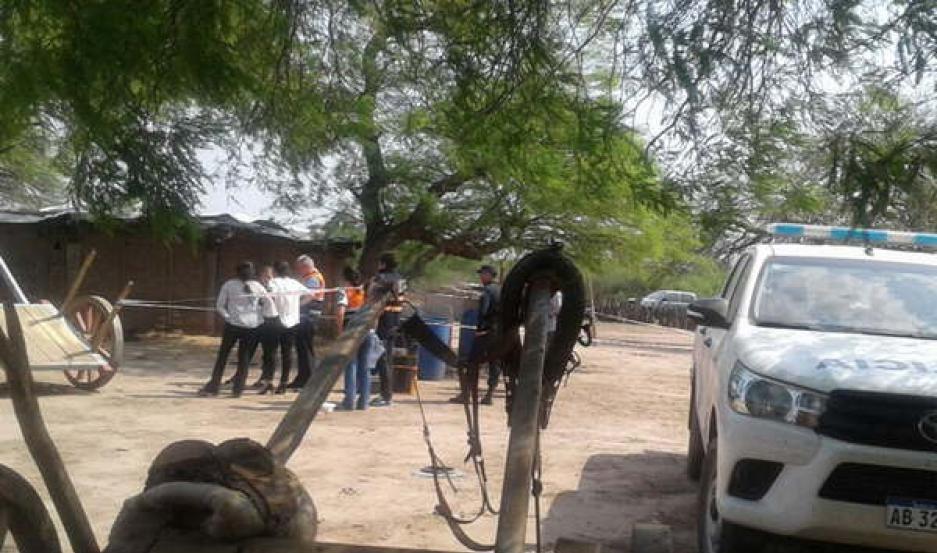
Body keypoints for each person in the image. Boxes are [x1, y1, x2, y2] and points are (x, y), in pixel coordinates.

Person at [200, 261, 267, 397]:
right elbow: (266, 304)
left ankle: (216, 387)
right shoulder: (253, 286)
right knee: (241, 358)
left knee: (227, 356)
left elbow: (220, 306)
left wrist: (229, 318)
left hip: (239, 326)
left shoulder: (236, 285)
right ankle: (236, 390)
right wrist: (258, 319)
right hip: (246, 326)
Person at [450, 264, 501, 405]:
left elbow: (483, 311)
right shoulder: (500, 290)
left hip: (485, 332)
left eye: (483, 274)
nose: (481, 277)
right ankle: (489, 395)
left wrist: (480, 329)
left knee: (472, 362)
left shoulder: (487, 291)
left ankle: (466, 394)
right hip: (498, 332)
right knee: (494, 363)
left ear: (489, 275)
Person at [268, 260, 312, 394]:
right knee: (287, 353)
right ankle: (283, 382)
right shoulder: (294, 283)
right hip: (293, 321)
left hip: (277, 320)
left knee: (272, 351)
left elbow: (270, 295)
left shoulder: (274, 282)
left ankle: (269, 380)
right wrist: (298, 305)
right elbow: (311, 294)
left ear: (275, 271)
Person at [337, 267, 373, 411]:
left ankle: (349, 401)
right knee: (365, 367)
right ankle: (364, 402)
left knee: (350, 365)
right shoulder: (364, 291)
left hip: (352, 330)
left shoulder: (344, 290)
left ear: (346, 278)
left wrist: (340, 331)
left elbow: (340, 312)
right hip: (367, 330)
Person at [288, 255, 326, 389]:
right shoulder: (309, 277)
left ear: (305, 266)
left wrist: (295, 306)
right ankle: (302, 378)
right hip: (305, 316)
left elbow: (309, 297)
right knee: (301, 348)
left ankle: (307, 380)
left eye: (299, 268)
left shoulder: (313, 278)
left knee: (305, 348)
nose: (298, 270)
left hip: (308, 317)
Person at [371, 253, 403, 407]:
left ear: (383, 264)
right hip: (396, 322)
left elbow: (373, 298)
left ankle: (386, 396)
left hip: (384, 323)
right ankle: (386, 393)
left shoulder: (381, 278)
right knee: (386, 359)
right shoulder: (401, 279)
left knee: (383, 359)